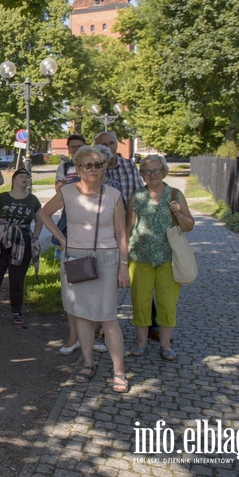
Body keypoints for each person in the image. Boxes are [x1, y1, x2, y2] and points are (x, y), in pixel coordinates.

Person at [40, 145, 130, 394]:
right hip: (76, 258)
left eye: (98, 164)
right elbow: (44, 213)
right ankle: (88, 363)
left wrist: (124, 265)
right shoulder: (67, 191)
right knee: (81, 314)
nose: (93, 169)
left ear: (104, 167)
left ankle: (119, 371)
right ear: (78, 167)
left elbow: (122, 233)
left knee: (108, 316)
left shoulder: (113, 195)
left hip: (107, 257)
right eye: (88, 165)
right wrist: (61, 238)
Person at [126, 155, 194, 361]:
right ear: (141, 174)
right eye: (146, 171)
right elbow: (128, 228)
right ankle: (141, 342)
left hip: (168, 258)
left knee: (167, 302)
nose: (152, 174)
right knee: (141, 301)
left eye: (156, 170)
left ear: (164, 172)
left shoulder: (175, 194)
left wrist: (178, 213)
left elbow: (189, 225)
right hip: (139, 257)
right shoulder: (137, 196)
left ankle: (166, 345)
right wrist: (122, 256)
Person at [94, 131, 159, 341]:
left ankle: (151, 324)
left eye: (112, 142)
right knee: (106, 281)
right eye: (103, 144)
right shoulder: (95, 169)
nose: (109, 146)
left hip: (132, 230)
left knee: (140, 278)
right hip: (104, 233)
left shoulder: (129, 166)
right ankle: (105, 325)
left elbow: (140, 195)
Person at [0, 168, 43, 324]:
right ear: (13, 180)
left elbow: (40, 218)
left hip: (22, 242)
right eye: (21, 176)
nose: (25, 179)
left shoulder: (32, 200)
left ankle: (17, 311)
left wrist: (36, 237)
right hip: (1, 241)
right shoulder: (3, 198)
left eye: (27, 177)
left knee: (17, 279)